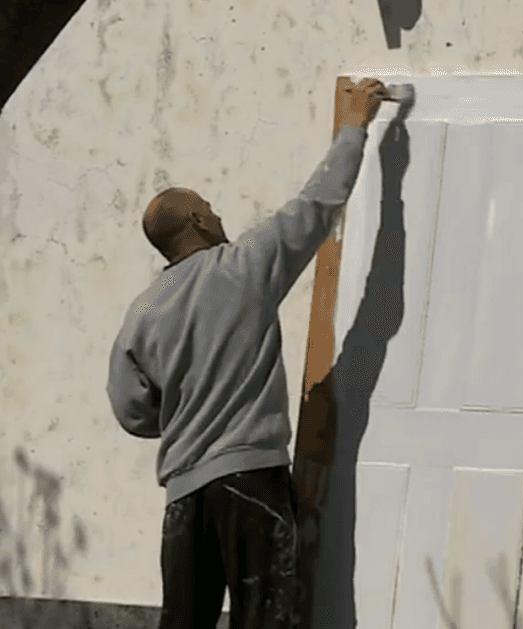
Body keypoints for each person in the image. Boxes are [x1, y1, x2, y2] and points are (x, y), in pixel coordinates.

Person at [106, 77, 389, 629]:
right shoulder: (243, 268)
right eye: (209, 210)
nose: (217, 216)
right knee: (265, 618)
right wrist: (355, 126)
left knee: (183, 621)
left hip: (184, 496)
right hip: (252, 481)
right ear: (197, 223)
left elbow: (131, 409)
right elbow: (317, 203)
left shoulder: (141, 313)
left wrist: (187, 413)